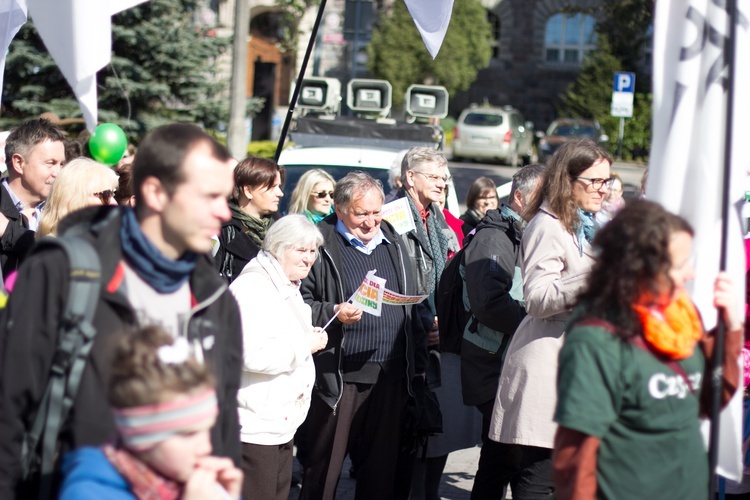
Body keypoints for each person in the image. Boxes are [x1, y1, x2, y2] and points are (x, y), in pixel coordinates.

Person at [0, 123, 243, 498]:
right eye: (209, 197)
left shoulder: (214, 297)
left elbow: (224, 422)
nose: (223, 214)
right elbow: (10, 405)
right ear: (156, 193)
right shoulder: (64, 272)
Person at [553, 200, 742, 500]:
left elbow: (710, 399)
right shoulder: (596, 338)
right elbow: (576, 457)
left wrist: (730, 330)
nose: (690, 274)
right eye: (680, 265)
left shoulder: (680, 317)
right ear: (642, 267)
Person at [487, 138, 612, 498]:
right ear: (567, 180)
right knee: (541, 479)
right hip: (548, 366)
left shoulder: (584, 224)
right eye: (595, 182)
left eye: (606, 181)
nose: (602, 190)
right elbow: (538, 298)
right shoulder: (548, 225)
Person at [298, 171, 427, 500]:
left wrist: (425, 325)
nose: (371, 222)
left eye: (376, 212)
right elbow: (299, 303)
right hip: (339, 376)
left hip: (391, 374)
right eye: (361, 214)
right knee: (324, 470)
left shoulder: (395, 239)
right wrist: (333, 311)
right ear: (339, 210)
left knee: (380, 473)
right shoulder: (317, 244)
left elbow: (413, 295)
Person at [59, 325, 244, 500]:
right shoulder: (89, 493)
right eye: (188, 434)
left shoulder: (191, 483)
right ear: (142, 436)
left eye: (208, 428)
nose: (207, 447)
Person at [228, 215, 328, 500]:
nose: (309, 258)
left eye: (312, 251)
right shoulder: (253, 288)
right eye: (301, 250)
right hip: (255, 426)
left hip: (279, 423)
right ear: (278, 247)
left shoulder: (286, 282)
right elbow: (246, 354)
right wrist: (303, 344)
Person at [461, 164, 545, 500]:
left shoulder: (520, 231)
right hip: (493, 366)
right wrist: (536, 323)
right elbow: (489, 303)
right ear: (520, 197)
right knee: (506, 456)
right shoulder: (495, 236)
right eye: (543, 197)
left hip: (505, 362)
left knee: (501, 458)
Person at [0, 118, 66, 276]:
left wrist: (9, 231)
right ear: (19, 163)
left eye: (61, 164)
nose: (58, 173)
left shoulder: (64, 211)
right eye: (50, 163)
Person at [215, 156, 284, 283]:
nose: (280, 193)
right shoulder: (222, 230)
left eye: (279, 186)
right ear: (248, 191)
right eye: (272, 187)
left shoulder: (283, 228)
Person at [36, 158, 120, 237]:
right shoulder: (54, 249)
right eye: (105, 195)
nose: (114, 203)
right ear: (75, 199)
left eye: (113, 194)